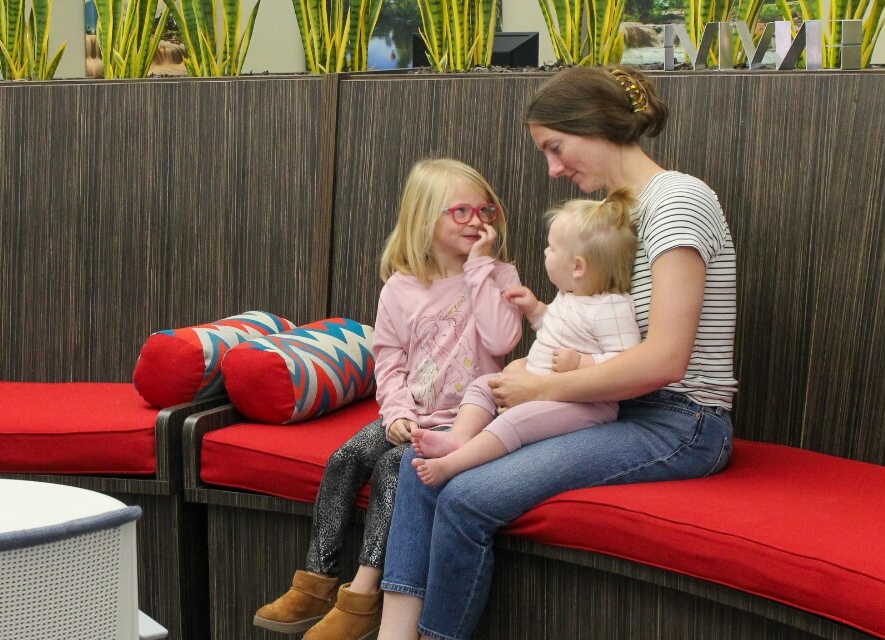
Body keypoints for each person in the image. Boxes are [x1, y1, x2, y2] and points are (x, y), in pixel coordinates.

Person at [378, 65, 738, 640]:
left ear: (593, 125)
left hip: (679, 421)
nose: (553, 167)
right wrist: (535, 366)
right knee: (418, 474)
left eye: (555, 147)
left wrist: (541, 387)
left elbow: (666, 360)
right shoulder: (618, 211)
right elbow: (591, 327)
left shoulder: (677, 202)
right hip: (612, 405)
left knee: (467, 497)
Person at [254, 158, 523, 640]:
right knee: (345, 457)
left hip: (464, 421)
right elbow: (390, 360)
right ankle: (316, 580)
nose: (478, 220)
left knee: (393, 468)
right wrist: (395, 411)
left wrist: (482, 268)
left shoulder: (499, 276)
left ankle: (362, 594)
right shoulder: (400, 287)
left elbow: (503, 340)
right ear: (425, 218)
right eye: (461, 211)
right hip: (409, 410)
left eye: (486, 209)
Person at [411, 191, 642, 487]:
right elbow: (556, 330)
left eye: (552, 248)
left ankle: (454, 463)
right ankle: (458, 437)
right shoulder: (570, 296)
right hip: (543, 386)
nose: (545, 252)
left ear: (577, 267)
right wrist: (535, 310)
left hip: (585, 405)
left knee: (513, 423)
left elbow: (627, 360)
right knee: (483, 384)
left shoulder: (612, 307)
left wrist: (584, 362)